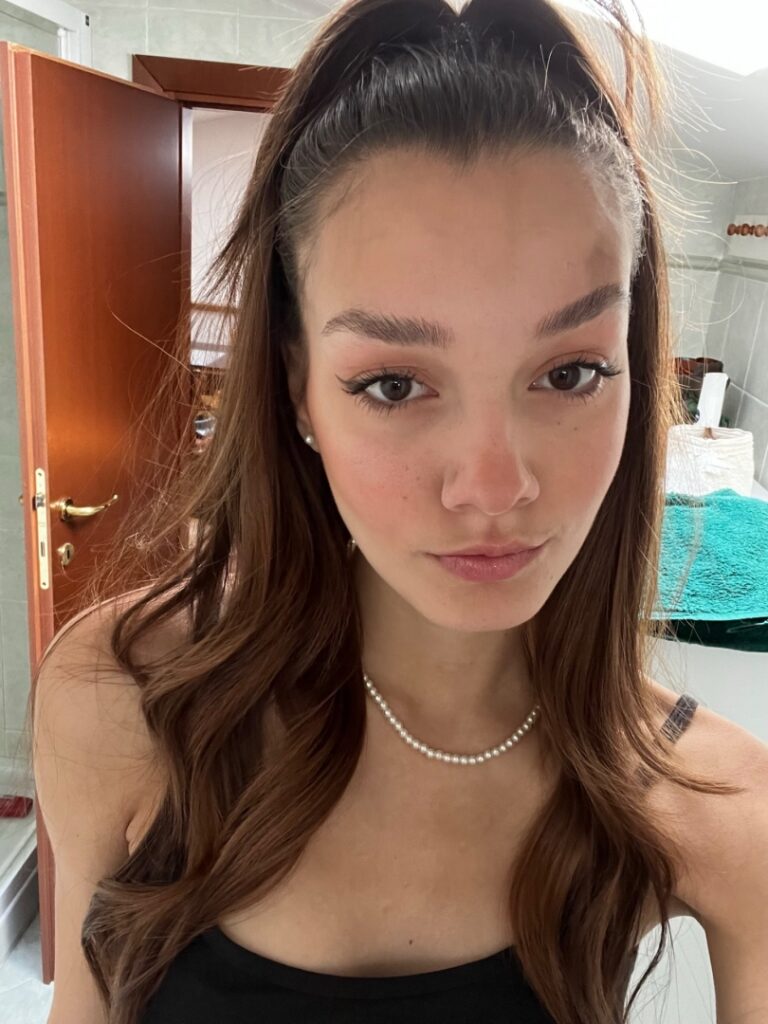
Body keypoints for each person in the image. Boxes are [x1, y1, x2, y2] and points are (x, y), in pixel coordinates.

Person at [30, 0, 768, 1022]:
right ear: (299, 388)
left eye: (569, 373)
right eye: (393, 384)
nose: (493, 486)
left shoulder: (720, 806)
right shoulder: (125, 701)